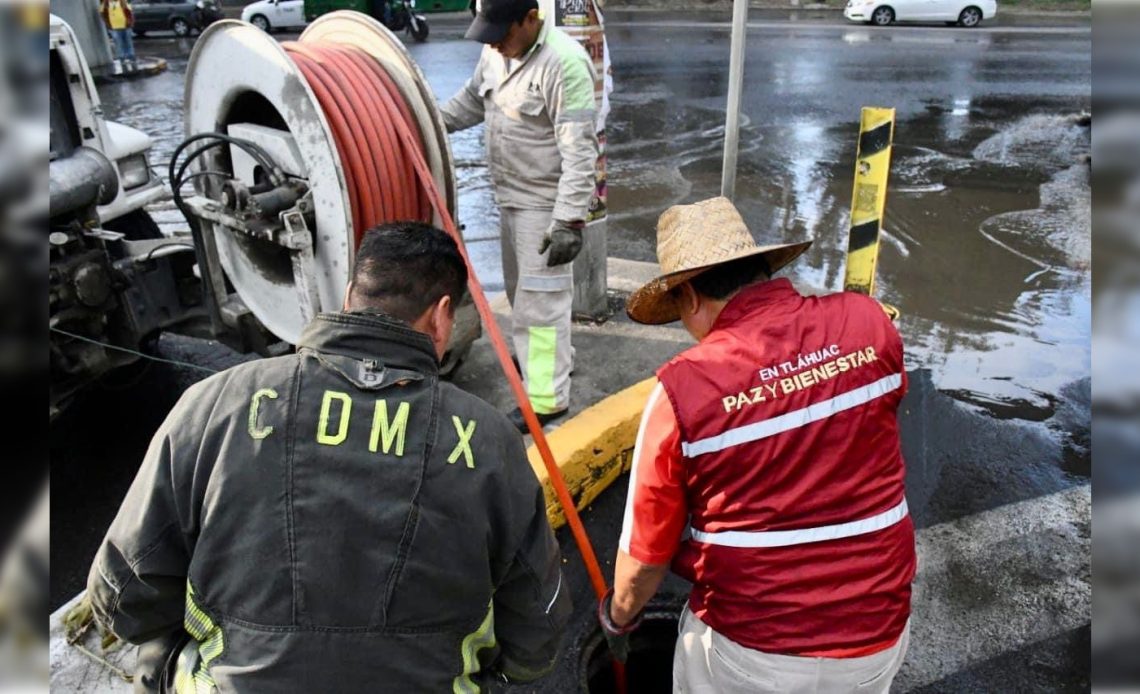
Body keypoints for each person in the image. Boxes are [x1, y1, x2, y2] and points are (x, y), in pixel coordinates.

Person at [86, 223, 571, 692]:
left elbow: (122, 596)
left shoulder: (217, 403)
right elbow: (536, 634)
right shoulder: (488, 440)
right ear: (442, 314)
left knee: (156, 658)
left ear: (349, 298)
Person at [598, 197, 916, 693]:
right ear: (761, 269)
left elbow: (645, 554)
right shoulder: (870, 323)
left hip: (754, 650)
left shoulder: (684, 391)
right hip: (878, 632)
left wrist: (618, 616)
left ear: (688, 297)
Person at [441, 0, 599, 432]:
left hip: (544, 207)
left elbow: (581, 153)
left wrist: (568, 221)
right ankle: (547, 361)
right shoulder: (496, 50)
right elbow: (472, 101)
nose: (493, 42)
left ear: (531, 18)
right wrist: (429, 121)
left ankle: (547, 400)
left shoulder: (564, 64)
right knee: (519, 293)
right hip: (509, 198)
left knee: (540, 306)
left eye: (501, 33)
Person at [100, 0, 136, 72]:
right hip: (114, 27)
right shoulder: (106, 3)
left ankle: (131, 57)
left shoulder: (123, 1)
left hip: (126, 26)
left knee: (128, 42)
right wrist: (108, 24)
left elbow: (130, 12)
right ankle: (122, 58)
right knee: (119, 43)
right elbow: (103, 13)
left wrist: (130, 22)